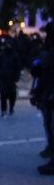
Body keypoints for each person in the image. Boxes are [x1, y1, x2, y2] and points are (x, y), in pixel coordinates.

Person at [31, 25, 54, 174]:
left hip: (50, 94)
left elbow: (46, 76)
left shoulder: (49, 54)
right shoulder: (47, 53)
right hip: (47, 93)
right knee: (49, 125)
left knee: (51, 125)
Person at [0, 38, 22, 116]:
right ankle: (3, 109)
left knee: (12, 95)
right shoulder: (1, 55)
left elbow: (17, 67)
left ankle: (11, 107)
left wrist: (16, 77)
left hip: (11, 78)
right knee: (3, 95)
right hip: (2, 78)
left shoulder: (15, 56)